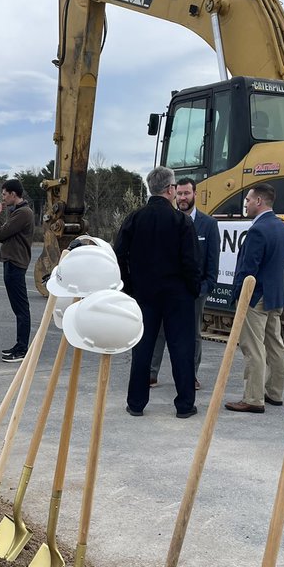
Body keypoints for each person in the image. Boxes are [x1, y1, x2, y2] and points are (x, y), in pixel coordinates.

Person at [115, 166, 201, 418]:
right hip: (178, 296)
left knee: (142, 349)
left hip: (144, 295)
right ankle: (185, 405)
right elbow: (191, 262)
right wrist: (192, 290)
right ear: (170, 189)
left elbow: (118, 256)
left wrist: (129, 286)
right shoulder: (182, 221)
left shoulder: (134, 218)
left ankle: (136, 402)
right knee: (181, 349)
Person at [149, 177, 219, 392]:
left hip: (194, 292)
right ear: (173, 194)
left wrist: (205, 287)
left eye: (186, 193)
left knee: (192, 334)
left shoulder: (208, 225)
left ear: (195, 194)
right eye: (179, 194)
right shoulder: (167, 220)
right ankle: (151, 374)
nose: (182, 198)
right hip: (167, 289)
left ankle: (191, 375)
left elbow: (212, 261)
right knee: (158, 331)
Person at [224, 183, 284, 413]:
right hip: (275, 296)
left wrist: (238, 296)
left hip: (256, 296)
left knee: (253, 347)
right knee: (274, 344)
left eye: (249, 200)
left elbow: (247, 268)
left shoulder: (257, 230)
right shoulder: (281, 227)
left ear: (259, 201)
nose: (246, 204)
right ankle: (274, 392)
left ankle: (253, 398)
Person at [0, 178, 34, 363]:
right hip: (12, 262)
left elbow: (1, 234)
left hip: (16, 263)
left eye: (4, 194)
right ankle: (19, 346)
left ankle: (22, 349)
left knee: (21, 308)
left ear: (13, 194)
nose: (3, 198)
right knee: (18, 308)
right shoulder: (17, 212)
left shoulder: (23, 213)